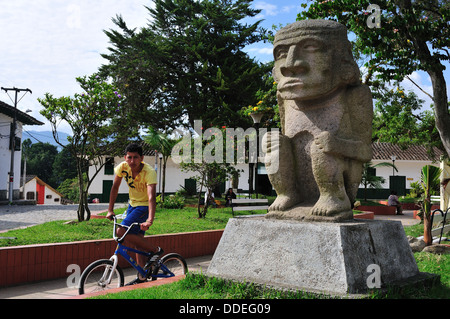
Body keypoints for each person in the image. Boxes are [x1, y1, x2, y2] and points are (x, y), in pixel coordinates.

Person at [106, 143, 162, 285]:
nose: (132, 161)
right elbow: (115, 188)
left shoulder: (149, 172)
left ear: (142, 158)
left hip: (143, 207)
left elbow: (151, 197)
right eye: (129, 157)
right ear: (125, 158)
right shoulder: (123, 168)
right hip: (132, 205)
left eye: (135, 158)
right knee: (137, 242)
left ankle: (156, 250)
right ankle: (143, 276)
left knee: (121, 231)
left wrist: (150, 219)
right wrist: (110, 210)